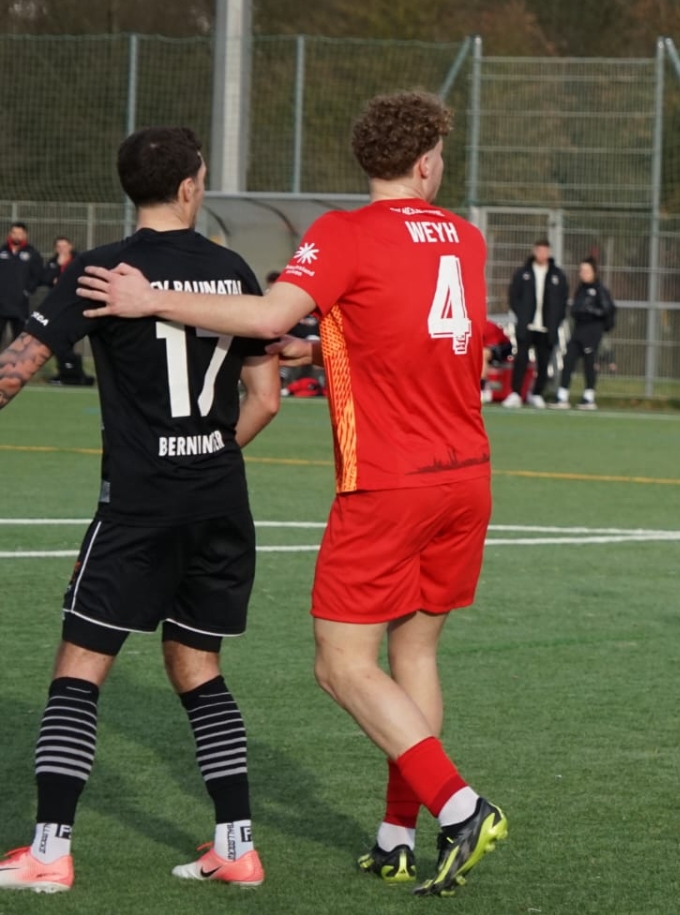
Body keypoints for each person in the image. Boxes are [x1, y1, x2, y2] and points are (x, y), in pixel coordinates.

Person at [79, 92, 510, 896]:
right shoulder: (467, 237)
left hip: (389, 481)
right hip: (466, 474)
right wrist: (322, 344)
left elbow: (270, 311)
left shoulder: (344, 233)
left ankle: (460, 806)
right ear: (426, 162)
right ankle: (396, 837)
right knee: (413, 654)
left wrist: (150, 299)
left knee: (341, 663)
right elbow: (416, 329)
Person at [0, 128, 281, 894]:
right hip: (219, 501)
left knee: (79, 666)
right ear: (191, 186)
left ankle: (49, 851)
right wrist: (205, 456)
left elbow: (15, 371)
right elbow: (265, 397)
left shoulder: (100, 270)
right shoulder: (231, 269)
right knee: (199, 667)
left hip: (139, 505)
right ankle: (237, 845)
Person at [505, 240, 566, 409]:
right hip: (527, 326)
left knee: (544, 362)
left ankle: (537, 393)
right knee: (521, 360)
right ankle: (516, 393)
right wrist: (522, 315)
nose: (542, 254)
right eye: (539, 250)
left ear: (549, 252)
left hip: (547, 327)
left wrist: (555, 320)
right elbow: (514, 296)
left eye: (545, 251)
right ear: (534, 251)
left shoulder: (558, 275)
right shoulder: (523, 272)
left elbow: (562, 301)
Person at [555, 258, 617, 410]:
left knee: (589, 363)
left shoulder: (600, 290)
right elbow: (576, 309)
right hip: (579, 330)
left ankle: (589, 397)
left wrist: (592, 312)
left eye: (587, 271)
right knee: (568, 359)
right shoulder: (581, 289)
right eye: (581, 271)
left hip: (592, 331)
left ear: (594, 272)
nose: (583, 274)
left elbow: (608, 310)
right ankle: (562, 396)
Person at [38, 238, 93, 385]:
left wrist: (64, 280)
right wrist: (58, 266)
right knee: (58, 342)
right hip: (57, 308)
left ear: (70, 246)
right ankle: (65, 373)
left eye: (64, 246)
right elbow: (45, 278)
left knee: (67, 342)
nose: (62, 249)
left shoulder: (79, 260)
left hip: (75, 306)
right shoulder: (53, 262)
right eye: (59, 246)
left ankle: (74, 374)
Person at [0, 221, 45, 349]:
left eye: (20, 233)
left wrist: (27, 290)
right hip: (1, 304)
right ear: (10, 234)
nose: (17, 236)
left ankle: (14, 362)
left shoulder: (32, 253)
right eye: (14, 233)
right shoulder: (2, 251)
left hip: (20, 305)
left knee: (19, 341)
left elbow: (38, 275)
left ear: (25, 235)